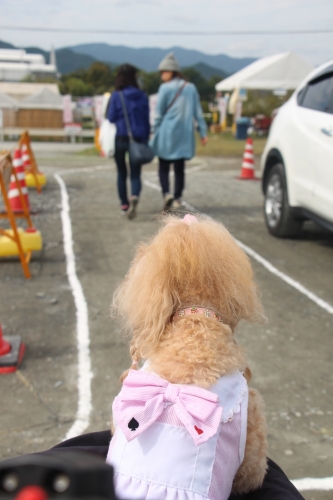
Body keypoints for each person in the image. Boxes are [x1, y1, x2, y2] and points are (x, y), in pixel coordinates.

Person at [151, 53, 208, 210]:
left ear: (172, 71)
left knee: (163, 166)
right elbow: (198, 112)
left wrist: (154, 130)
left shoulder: (164, 88)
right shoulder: (190, 88)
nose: (162, 75)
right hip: (184, 134)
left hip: (166, 133)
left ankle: (166, 193)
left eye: (164, 71)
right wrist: (203, 132)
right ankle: (177, 198)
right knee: (179, 168)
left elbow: (158, 113)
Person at [108, 64, 150, 219]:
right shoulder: (142, 96)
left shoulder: (116, 95)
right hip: (138, 139)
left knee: (121, 172)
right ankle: (134, 195)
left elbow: (111, 117)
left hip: (120, 138)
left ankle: (124, 204)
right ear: (134, 77)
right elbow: (146, 120)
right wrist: (145, 138)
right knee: (135, 173)